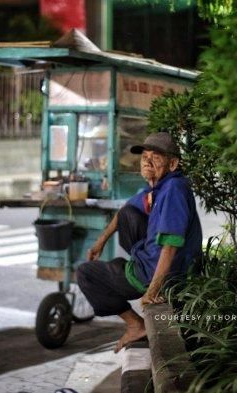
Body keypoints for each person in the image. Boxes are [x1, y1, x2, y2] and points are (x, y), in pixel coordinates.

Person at [77, 132, 203, 352]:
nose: (147, 161)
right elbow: (127, 209)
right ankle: (134, 268)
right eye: (145, 156)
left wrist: (152, 291)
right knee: (128, 212)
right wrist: (100, 241)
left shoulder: (173, 190)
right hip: (153, 260)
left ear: (172, 163)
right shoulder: (160, 186)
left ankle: (136, 325)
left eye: (156, 157)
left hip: (156, 273)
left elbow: (170, 247)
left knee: (86, 272)